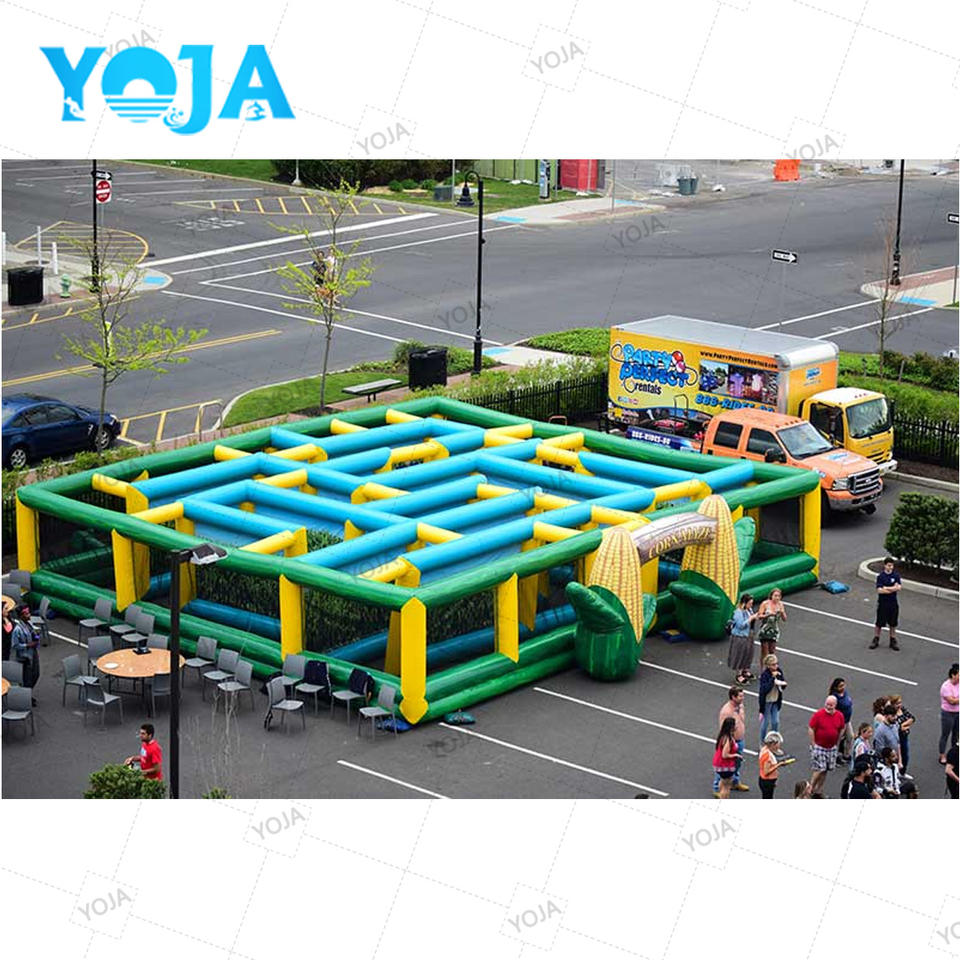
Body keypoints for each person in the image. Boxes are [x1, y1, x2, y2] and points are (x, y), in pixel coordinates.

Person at [713, 686, 749, 795]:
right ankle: (717, 787)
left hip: (740, 740)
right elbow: (723, 729)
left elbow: (741, 720)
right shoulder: (726, 711)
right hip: (732, 742)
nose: (742, 698)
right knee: (724, 766)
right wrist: (729, 742)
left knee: (736, 764)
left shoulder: (740, 706)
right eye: (740, 696)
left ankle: (735, 782)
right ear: (733, 697)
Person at [808, 695, 846, 794]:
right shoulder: (818, 715)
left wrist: (837, 742)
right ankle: (810, 788)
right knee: (820, 768)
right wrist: (813, 744)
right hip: (819, 746)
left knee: (826, 770)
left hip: (831, 747)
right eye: (827, 704)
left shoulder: (839, 716)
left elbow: (842, 728)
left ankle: (819, 790)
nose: (828, 707)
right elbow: (811, 728)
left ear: (835, 705)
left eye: (831, 705)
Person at [10, 604, 40, 703]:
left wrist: (36, 637)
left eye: (28, 612)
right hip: (25, 657)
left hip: (33, 653)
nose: (29, 615)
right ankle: (26, 697)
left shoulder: (29, 624)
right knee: (27, 679)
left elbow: (33, 634)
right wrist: (27, 645)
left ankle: (27, 694)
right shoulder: (17, 630)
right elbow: (15, 645)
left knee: (36, 674)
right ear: (21, 616)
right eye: (26, 613)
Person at [870, 557, 901, 650]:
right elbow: (880, 590)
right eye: (889, 565)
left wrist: (886, 588)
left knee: (893, 623)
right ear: (885, 566)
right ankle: (876, 639)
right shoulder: (881, 576)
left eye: (892, 565)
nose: (890, 567)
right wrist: (892, 588)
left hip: (893, 603)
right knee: (879, 622)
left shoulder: (896, 576)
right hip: (883, 603)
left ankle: (892, 640)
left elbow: (898, 587)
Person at [757, 654, 787, 748]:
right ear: (768, 665)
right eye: (773, 664)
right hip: (767, 701)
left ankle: (775, 742)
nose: (776, 666)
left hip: (776, 700)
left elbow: (782, 683)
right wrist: (772, 678)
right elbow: (765, 689)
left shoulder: (779, 671)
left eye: (776, 664)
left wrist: (782, 684)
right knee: (765, 723)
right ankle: (762, 743)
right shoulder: (765, 675)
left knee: (775, 722)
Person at [727, 593, 758, 685]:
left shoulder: (749, 610)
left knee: (748, 653)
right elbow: (741, 625)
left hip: (748, 635)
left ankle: (745, 670)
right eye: (750, 603)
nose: (751, 605)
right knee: (740, 654)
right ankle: (739, 675)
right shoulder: (738, 612)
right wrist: (751, 618)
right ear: (744, 603)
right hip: (740, 636)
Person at [713, 716, 742, 799]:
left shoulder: (723, 736)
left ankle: (721, 795)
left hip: (718, 764)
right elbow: (725, 755)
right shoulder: (728, 739)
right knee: (726, 786)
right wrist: (735, 755)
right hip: (725, 765)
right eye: (735, 725)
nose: (736, 726)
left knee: (722, 782)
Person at [756, 588, 786, 663]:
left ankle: (770, 666)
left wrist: (782, 612)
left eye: (779, 596)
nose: (777, 598)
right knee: (765, 651)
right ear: (771, 596)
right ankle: (763, 668)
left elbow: (784, 619)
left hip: (774, 630)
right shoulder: (765, 604)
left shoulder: (780, 604)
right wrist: (768, 615)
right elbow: (759, 616)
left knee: (772, 651)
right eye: (775, 596)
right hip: (765, 629)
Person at [889, 694, 915, 776]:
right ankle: (894, 774)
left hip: (904, 737)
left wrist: (903, 725)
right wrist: (902, 727)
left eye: (900, 703)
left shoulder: (902, 709)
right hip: (896, 738)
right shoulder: (892, 713)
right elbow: (894, 727)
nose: (899, 705)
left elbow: (912, 718)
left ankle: (902, 772)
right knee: (895, 756)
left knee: (905, 756)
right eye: (897, 703)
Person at [938, 663, 959, 766]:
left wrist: (956, 700)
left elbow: (955, 700)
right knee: (945, 735)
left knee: (956, 734)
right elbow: (952, 701)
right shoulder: (946, 686)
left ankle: (954, 754)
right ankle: (942, 755)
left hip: (958, 712)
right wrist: (956, 700)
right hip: (948, 713)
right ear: (953, 675)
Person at [828, 678, 854, 762]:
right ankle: (834, 757)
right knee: (837, 740)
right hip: (839, 722)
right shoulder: (834, 697)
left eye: (843, 685)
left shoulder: (844, 693)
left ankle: (846, 754)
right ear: (836, 687)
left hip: (847, 720)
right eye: (840, 686)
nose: (843, 687)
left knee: (850, 736)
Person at [758, 730, 787, 798]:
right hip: (767, 782)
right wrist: (779, 764)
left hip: (766, 781)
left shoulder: (764, 749)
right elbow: (766, 772)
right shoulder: (767, 755)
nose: (779, 746)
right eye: (778, 744)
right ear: (773, 744)